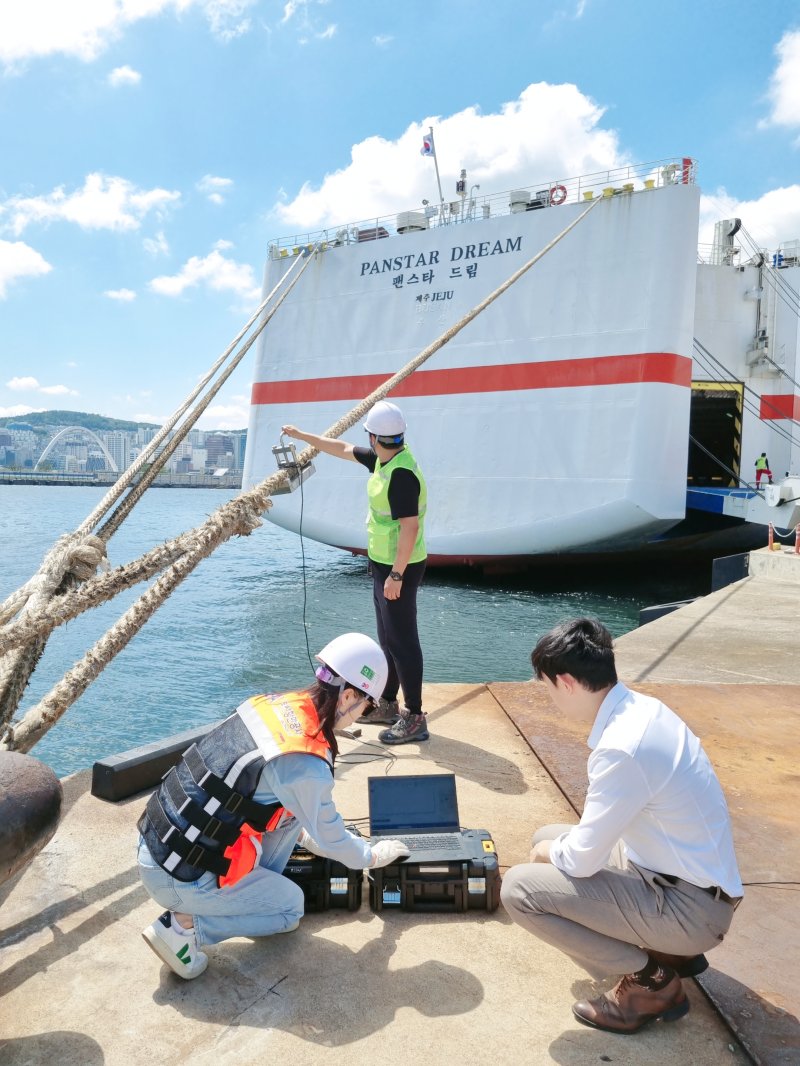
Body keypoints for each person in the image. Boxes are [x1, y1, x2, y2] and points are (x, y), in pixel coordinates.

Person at [501, 618, 743, 1035]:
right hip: (695, 884)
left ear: (567, 683)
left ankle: (652, 983)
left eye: (546, 687)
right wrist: (553, 849)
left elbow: (578, 861)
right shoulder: (644, 710)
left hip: (691, 910)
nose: (549, 697)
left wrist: (550, 856)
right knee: (547, 836)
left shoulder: (622, 749)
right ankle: (671, 953)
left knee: (521, 890)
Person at [137, 633, 410, 979]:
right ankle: (184, 928)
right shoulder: (305, 762)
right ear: (349, 695)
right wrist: (371, 856)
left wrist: (306, 834)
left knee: (293, 815)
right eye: (367, 705)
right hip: (178, 877)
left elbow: (257, 796)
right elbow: (333, 839)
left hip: (160, 842)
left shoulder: (274, 704)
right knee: (289, 909)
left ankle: (227, 893)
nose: (362, 714)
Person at [282, 401, 429, 746]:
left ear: (376, 436)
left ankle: (415, 716)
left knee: (404, 642)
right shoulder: (384, 459)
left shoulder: (402, 474)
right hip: (384, 563)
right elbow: (344, 449)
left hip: (399, 567)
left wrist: (396, 576)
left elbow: (409, 528)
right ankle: (390, 704)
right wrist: (304, 436)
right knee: (388, 639)